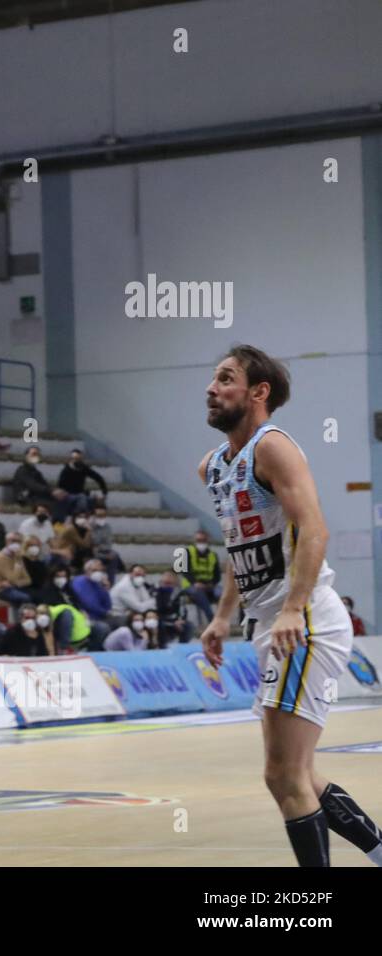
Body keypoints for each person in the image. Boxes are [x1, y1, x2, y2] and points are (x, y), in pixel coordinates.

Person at [197, 344, 382, 867]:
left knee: (282, 776)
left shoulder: (272, 447)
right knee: (301, 774)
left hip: (304, 621)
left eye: (225, 378)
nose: (212, 388)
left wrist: (291, 609)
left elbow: (316, 529)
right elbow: (238, 546)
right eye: (213, 378)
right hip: (270, 623)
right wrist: (222, 614)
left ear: (259, 393)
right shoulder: (212, 466)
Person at [182, 529, 223, 625]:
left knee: (221, 592)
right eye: (199, 540)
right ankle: (211, 619)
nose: (201, 543)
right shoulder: (187, 552)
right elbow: (185, 571)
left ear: (207, 541)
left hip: (209, 585)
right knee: (199, 592)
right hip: (191, 585)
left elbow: (217, 575)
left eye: (203, 540)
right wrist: (195, 583)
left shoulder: (213, 555)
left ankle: (222, 618)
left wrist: (212, 584)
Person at [0, 531, 33, 608]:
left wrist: (15, 583)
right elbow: (12, 578)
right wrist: (18, 561)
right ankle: (21, 618)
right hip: (0, 589)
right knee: (25, 598)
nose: (16, 544)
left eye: (19, 541)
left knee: (38, 595)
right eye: (13, 541)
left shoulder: (17, 557)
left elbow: (27, 580)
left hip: (14, 587)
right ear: (6, 542)